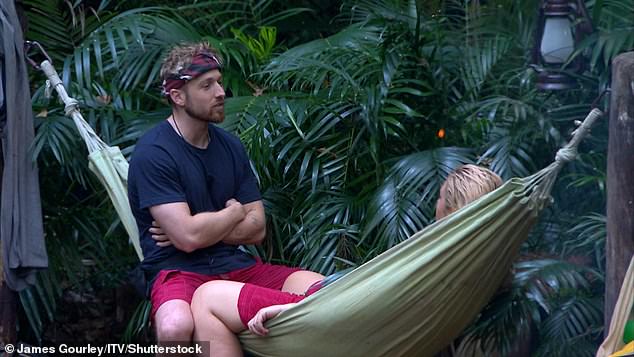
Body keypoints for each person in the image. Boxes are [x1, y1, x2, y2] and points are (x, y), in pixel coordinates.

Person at [127, 42, 324, 351]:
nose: (221, 92)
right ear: (178, 97)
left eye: (218, 81)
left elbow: (257, 228)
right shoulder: (154, 153)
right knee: (174, 325)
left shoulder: (231, 147)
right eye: (207, 85)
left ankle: (289, 313)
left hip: (236, 264)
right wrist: (233, 213)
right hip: (178, 270)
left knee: (321, 288)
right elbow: (188, 239)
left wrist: (200, 228)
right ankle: (281, 311)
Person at [189, 164, 503, 356]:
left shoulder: (436, 255)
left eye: (440, 195)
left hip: (334, 312)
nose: (434, 202)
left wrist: (292, 309)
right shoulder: (485, 260)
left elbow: (383, 301)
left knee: (206, 298)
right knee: (302, 277)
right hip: (342, 297)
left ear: (449, 208)